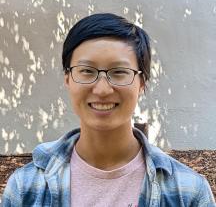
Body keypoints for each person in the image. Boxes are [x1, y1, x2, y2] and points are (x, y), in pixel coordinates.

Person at [2, 13, 215, 207]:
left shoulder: (188, 193)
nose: (102, 89)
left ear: (142, 83)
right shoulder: (25, 188)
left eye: (119, 72)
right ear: (67, 79)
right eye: (86, 71)